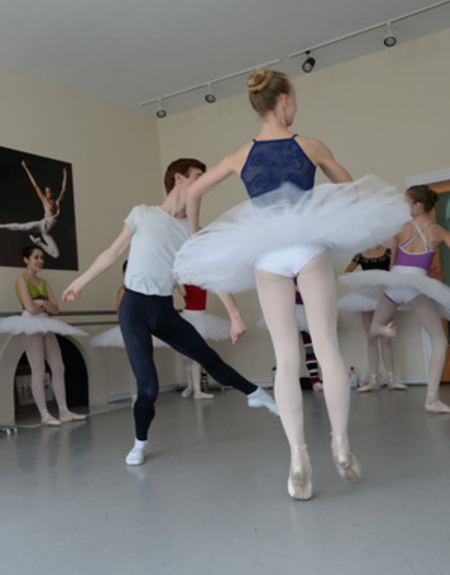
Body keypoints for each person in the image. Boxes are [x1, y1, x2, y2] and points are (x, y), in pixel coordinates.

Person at [174, 68, 409, 499]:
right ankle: (341, 445)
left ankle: (298, 456)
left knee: (285, 358)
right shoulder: (309, 145)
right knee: (327, 347)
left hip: (267, 252)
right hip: (307, 246)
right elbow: (350, 189)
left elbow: (193, 193)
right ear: (284, 100)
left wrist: (195, 232)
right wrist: (339, 218)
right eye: (294, 98)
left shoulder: (241, 154)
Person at [62, 158, 277, 466]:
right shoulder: (143, 214)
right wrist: (79, 283)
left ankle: (256, 394)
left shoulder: (192, 230)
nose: (203, 183)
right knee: (148, 387)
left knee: (208, 357)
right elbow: (112, 252)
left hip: (163, 308)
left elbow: (211, 274)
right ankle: (140, 443)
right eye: (198, 177)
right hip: (134, 307)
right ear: (179, 179)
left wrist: (234, 315)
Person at [340, 185, 450, 414]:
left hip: (394, 283)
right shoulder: (439, 231)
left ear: (417, 205)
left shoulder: (401, 227)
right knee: (439, 340)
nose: (403, 205)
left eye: (406, 201)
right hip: (417, 286)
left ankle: (385, 329)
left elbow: (393, 263)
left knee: (374, 330)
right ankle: (431, 399)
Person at [0, 245, 86, 425]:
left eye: (42, 257)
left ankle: (64, 411)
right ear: (26, 260)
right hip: (29, 324)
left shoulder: (44, 282)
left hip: (46, 322)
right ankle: (44, 414)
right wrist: (44, 305)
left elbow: (56, 308)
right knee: (38, 368)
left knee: (59, 367)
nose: (40, 261)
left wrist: (43, 303)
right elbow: (30, 309)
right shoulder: (21, 280)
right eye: (36, 257)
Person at [340, 246, 406, 392]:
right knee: (371, 338)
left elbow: (396, 271)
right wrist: (364, 280)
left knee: (387, 339)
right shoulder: (360, 254)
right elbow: (348, 272)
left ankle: (391, 380)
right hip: (366, 297)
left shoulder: (388, 252)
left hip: (385, 295)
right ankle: (373, 380)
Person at [177, 284, 246, 399]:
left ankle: (197, 391)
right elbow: (183, 293)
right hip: (188, 316)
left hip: (200, 317)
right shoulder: (182, 279)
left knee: (196, 355)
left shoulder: (202, 278)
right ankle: (190, 386)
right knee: (186, 357)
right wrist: (178, 281)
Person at [0, 160, 67, 258]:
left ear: (53, 193)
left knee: (56, 255)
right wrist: (26, 168)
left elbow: (64, 189)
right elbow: (36, 185)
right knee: (22, 227)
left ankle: (38, 243)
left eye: (49, 192)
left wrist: (65, 173)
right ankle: (1, 226)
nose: (47, 194)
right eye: (46, 192)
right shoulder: (45, 200)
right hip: (42, 225)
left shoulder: (58, 202)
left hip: (48, 232)